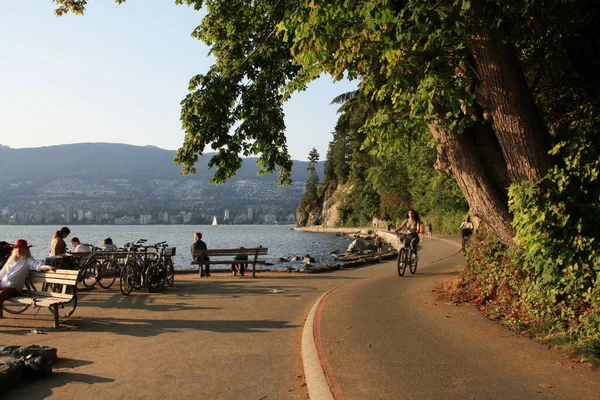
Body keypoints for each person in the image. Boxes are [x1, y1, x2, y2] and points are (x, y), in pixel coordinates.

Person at [0, 239, 57, 316]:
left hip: (13, 287)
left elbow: (37, 266)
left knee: (1, 296)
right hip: (3, 284)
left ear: (26, 249)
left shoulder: (28, 260)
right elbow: (2, 273)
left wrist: (47, 267)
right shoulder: (11, 260)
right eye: (16, 248)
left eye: (21, 247)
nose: (18, 249)